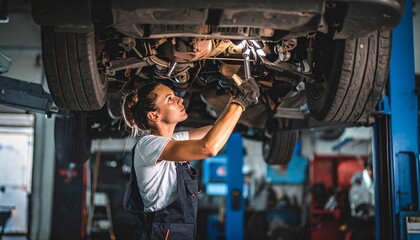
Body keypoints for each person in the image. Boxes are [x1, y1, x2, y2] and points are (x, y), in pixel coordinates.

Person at [121, 77, 260, 240]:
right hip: (163, 233)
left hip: (175, 231)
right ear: (154, 115)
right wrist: (240, 102)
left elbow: (213, 132)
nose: (180, 99)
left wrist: (233, 102)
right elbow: (208, 147)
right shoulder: (148, 144)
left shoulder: (172, 141)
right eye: (170, 99)